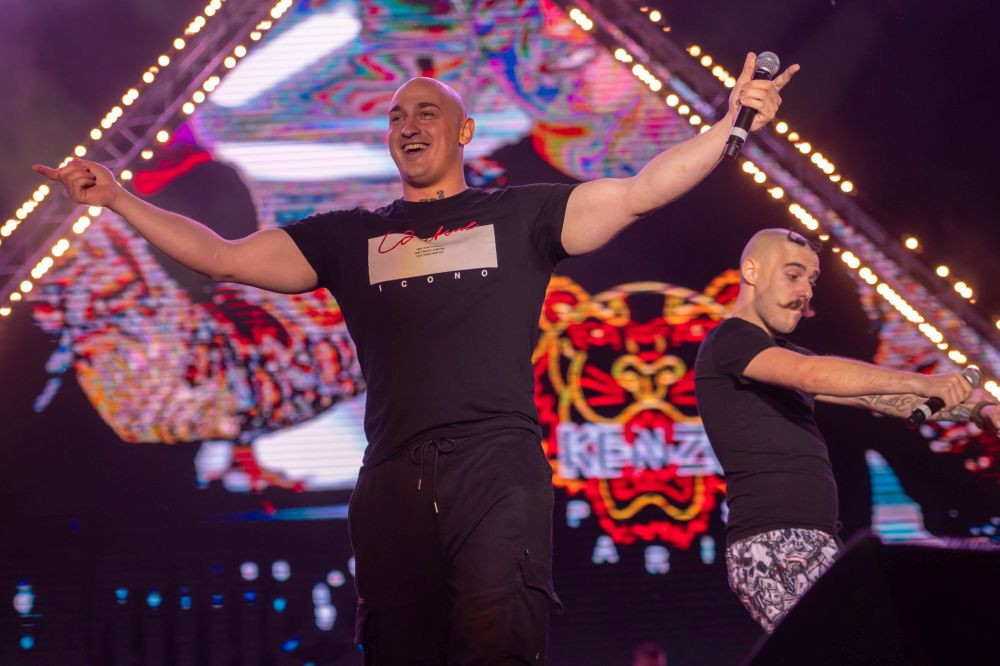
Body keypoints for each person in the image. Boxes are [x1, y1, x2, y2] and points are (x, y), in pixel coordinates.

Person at [35, 54, 796, 663]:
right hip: (394, 475)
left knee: (497, 641)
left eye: (426, 112)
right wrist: (119, 199)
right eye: (396, 116)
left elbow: (641, 190)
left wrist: (730, 127)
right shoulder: (349, 237)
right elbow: (223, 257)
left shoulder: (522, 215)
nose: (408, 125)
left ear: (463, 132)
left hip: (495, 464)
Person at [693, 228, 1000, 634]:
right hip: (775, 544)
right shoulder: (731, 340)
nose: (805, 292)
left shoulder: (781, 355)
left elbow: (877, 399)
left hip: (813, 541)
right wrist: (925, 382)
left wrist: (978, 410)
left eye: (811, 281)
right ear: (751, 271)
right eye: (793, 275)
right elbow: (811, 373)